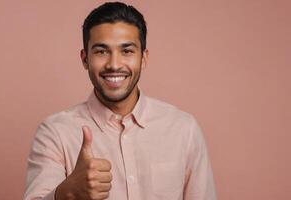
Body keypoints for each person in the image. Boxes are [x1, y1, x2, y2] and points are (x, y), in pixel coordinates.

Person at [24, 2, 216, 200]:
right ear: (84, 59)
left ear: (143, 58)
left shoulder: (184, 129)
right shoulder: (55, 133)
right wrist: (67, 192)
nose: (114, 64)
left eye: (127, 51)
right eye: (101, 51)